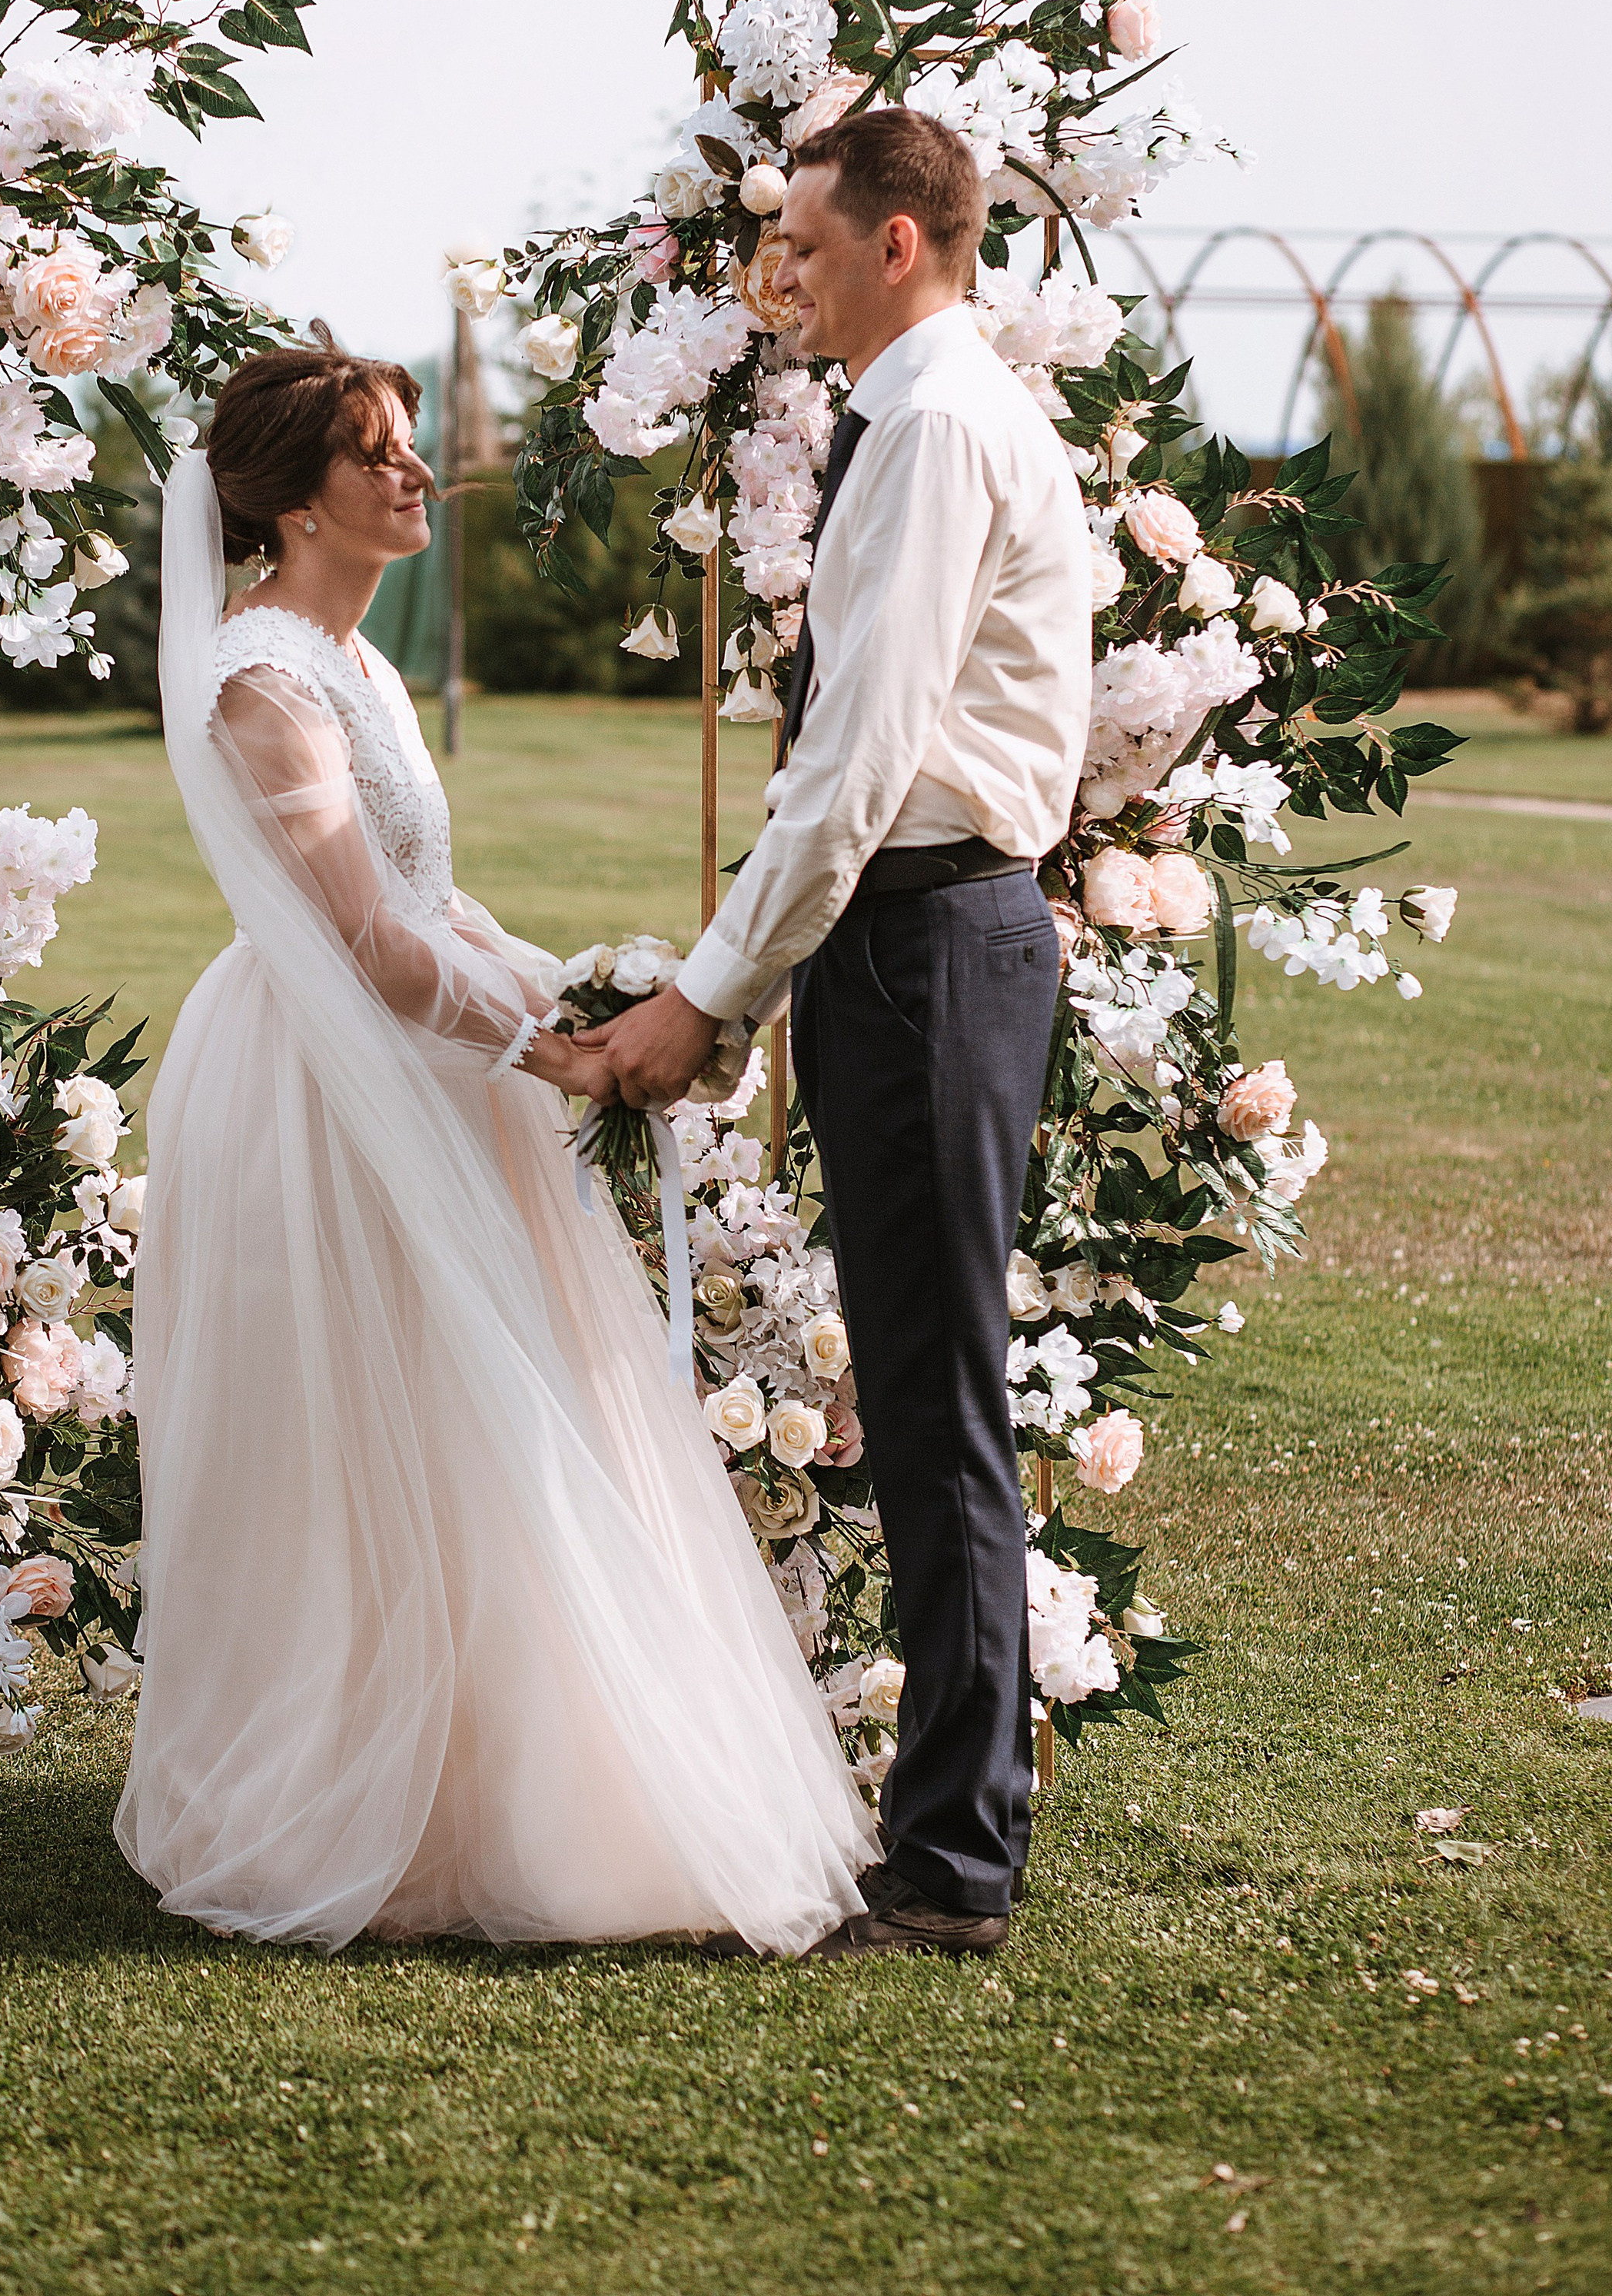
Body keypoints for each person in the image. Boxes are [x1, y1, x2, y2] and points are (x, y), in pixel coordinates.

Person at [115, 338, 876, 1952]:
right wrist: (556, 1054)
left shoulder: (358, 665)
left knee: (486, 1416)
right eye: (375, 454)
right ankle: (345, 1785)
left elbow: (428, 911)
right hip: (319, 1087)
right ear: (287, 500)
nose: (413, 475)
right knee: (364, 1427)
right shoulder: (263, 681)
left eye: (407, 449)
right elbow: (369, 951)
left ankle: (490, 1774)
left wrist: (578, 995)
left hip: (425, 1058)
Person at [587, 110, 1092, 1959]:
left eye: (804, 242)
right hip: (907, 944)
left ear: (900, 242)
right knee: (913, 1385)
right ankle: (947, 1842)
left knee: (934, 1399)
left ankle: (954, 1864)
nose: (777, 274)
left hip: (930, 941)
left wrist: (709, 992)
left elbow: (860, 759)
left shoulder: (940, 426)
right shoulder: (918, 416)